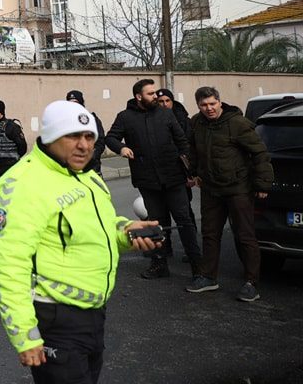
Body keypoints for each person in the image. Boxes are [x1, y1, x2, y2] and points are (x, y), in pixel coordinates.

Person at [0, 100, 164, 384]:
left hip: (93, 314)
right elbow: (7, 265)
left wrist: (127, 231)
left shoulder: (86, 177)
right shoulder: (21, 186)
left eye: (90, 137)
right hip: (55, 319)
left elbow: (101, 227)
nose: (84, 145)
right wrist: (24, 335)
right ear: (49, 137)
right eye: (73, 136)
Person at [104, 79, 201, 279]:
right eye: (150, 94)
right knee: (157, 223)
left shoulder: (166, 114)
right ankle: (160, 263)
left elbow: (182, 141)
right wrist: (121, 148)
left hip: (173, 178)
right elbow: (110, 137)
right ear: (138, 97)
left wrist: (188, 170)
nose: (155, 96)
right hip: (147, 180)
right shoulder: (125, 117)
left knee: (184, 220)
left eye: (155, 92)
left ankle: (198, 267)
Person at [185, 86, 273, 302]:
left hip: (238, 189)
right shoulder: (197, 122)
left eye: (212, 104)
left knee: (245, 236)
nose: (209, 109)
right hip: (211, 190)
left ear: (220, 102)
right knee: (210, 234)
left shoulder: (237, 123)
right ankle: (208, 277)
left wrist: (262, 184)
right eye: (204, 105)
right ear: (198, 106)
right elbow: (194, 150)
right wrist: (193, 173)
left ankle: (251, 283)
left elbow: (260, 153)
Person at [155, 87, 197, 261]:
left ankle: (192, 250)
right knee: (160, 214)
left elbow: (188, 149)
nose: (164, 104)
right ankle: (166, 247)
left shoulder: (183, 121)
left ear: (172, 102)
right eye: (161, 102)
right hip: (160, 175)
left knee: (184, 213)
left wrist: (190, 174)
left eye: (167, 101)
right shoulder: (153, 119)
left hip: (180, 174)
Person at [0, 99, 27, 186]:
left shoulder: (11, 126)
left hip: (9, 167)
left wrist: (12, 158)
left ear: (1, 111)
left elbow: (22, 147)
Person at [65, 91, 106, 175]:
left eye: (76, 103)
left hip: (91, 168)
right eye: (70, 103)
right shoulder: (64, 122)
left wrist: (91, 156)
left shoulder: (92, 120)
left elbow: (100, 142)